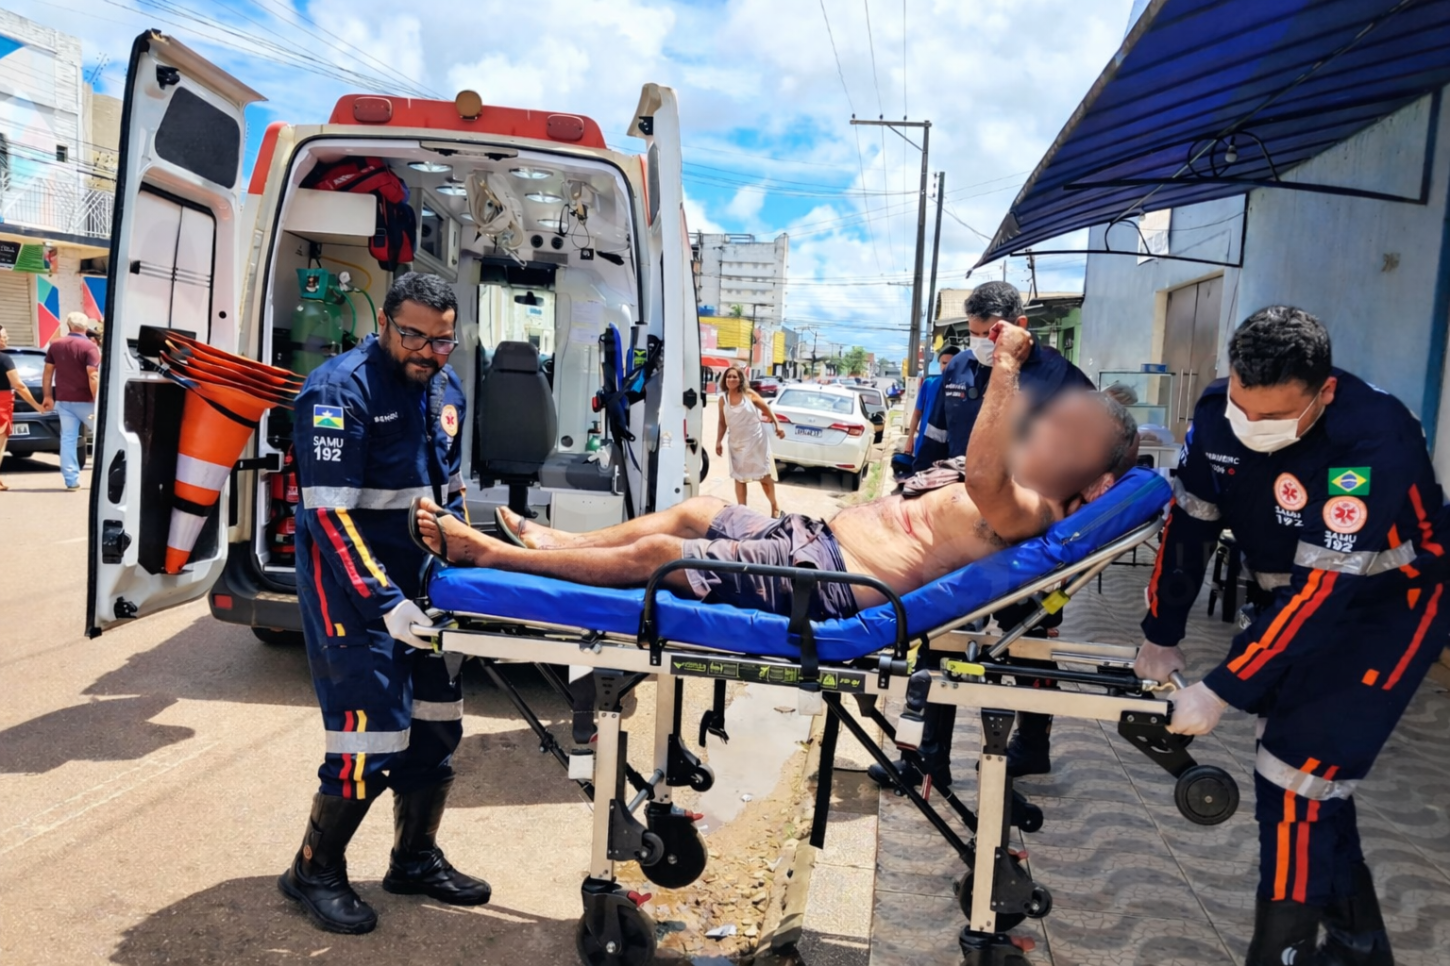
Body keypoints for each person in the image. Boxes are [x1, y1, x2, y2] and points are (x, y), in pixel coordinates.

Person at [418, 324, 1139, 625]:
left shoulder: (1035, 511)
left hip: (836, 583)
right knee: (693, 512)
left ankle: (490, 554)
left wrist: (1008, 368)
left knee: (671, 557)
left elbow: (983, 481)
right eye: (1052, 417)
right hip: (815, 539)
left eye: (1066, 432)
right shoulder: (1013, 478)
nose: (1043, 428)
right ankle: (557, 545)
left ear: (1097, 484)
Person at [1135, 306, 1449, 966]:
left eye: (1274, 418)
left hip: (1387, 608)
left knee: (1300, 772)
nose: (1253, 429)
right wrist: (1162, 632)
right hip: (1290, 597)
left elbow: (1325, 590)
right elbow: (1190, 523)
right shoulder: (1220, 410)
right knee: (1308, 777)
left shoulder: (1371, 438)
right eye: (1247, 408)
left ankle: (1284, 953)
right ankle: (1361, 947)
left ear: (1324, 391)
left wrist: (1222, 688)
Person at [281, 272, 489, 935]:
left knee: (435, 722)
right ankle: (312, 869)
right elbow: (329, 520)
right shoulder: (338, 392)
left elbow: (446, 489)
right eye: (413, 335)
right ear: (383, 325)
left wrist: (462, 568)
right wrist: (383, 601)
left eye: (443, 340)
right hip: (350, 585)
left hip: (425, 584)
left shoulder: (443, 388)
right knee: (368, 737)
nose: (428, 351)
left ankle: (414, 859)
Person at [887, 282, 1094, 790]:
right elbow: (932, 448)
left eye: (991, 333)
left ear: (1021, 327)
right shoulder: (957, 371)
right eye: (975, 333)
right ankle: (927, 758)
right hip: (960, 531)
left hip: (1028, 539)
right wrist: (911, 498)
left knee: (1027, 643)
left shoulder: (1065, 382)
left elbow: (1084, 469)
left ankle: (1030, 747)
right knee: (939, 640)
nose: (982, 342)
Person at [41, 311, 100, 490]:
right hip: (87, 402)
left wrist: (47, 396)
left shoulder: (56, 345)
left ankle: (71, 480)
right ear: (85, 327)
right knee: (102, 437)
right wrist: (98, 400)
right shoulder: (90, 347)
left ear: (68, 325)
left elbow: (48, 373)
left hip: (64, 401)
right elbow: (93, 376)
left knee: (68, 439)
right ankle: (105, 478)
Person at [716, 365, 785, 516]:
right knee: (739, 478)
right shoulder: (723, 400)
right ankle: (743, 511)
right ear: (725, 380)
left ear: (740, 379)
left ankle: (774, 506)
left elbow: (767, 409)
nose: (731, 379)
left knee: (764, 477)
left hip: (756, 442)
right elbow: (722, 422)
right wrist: (718, 441)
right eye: (728, 376)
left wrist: (777, 425)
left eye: (734, 376)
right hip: (736, 444)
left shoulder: (748, 394)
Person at [0, 324, 46, 491]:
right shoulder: (4, 359)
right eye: (4, 336)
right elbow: (19, 385)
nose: (7, 338)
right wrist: (36, 405)